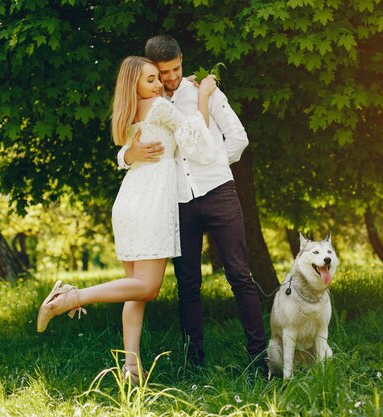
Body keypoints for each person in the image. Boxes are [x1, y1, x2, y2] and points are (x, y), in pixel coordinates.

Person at [37, 56, 217, 383]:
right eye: (149, 79)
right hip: (151, 204)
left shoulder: (131, 112)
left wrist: (127, 155)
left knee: (133, 291)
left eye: (157, 78)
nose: (158, 84)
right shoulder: (160, 107)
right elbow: (197, 137)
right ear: (133, 83)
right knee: (147, 288)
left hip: (129, 203)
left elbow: (125, 154)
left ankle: (131, 369)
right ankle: (71, 298)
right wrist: (204, 94)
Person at [118, 35, 267, 372]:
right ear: (150, 70)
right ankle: (194, 364)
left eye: (175, 70)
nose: (169, 78)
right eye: (162, 73)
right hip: (178, 202)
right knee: (188, 285)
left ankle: (259, 360)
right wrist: (127, 155)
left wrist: (213, 166)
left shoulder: (204, 91)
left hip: (218, 193)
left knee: (239, 276)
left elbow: (239, 138)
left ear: (182, 60)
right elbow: (130, 141)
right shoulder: (150, 100)